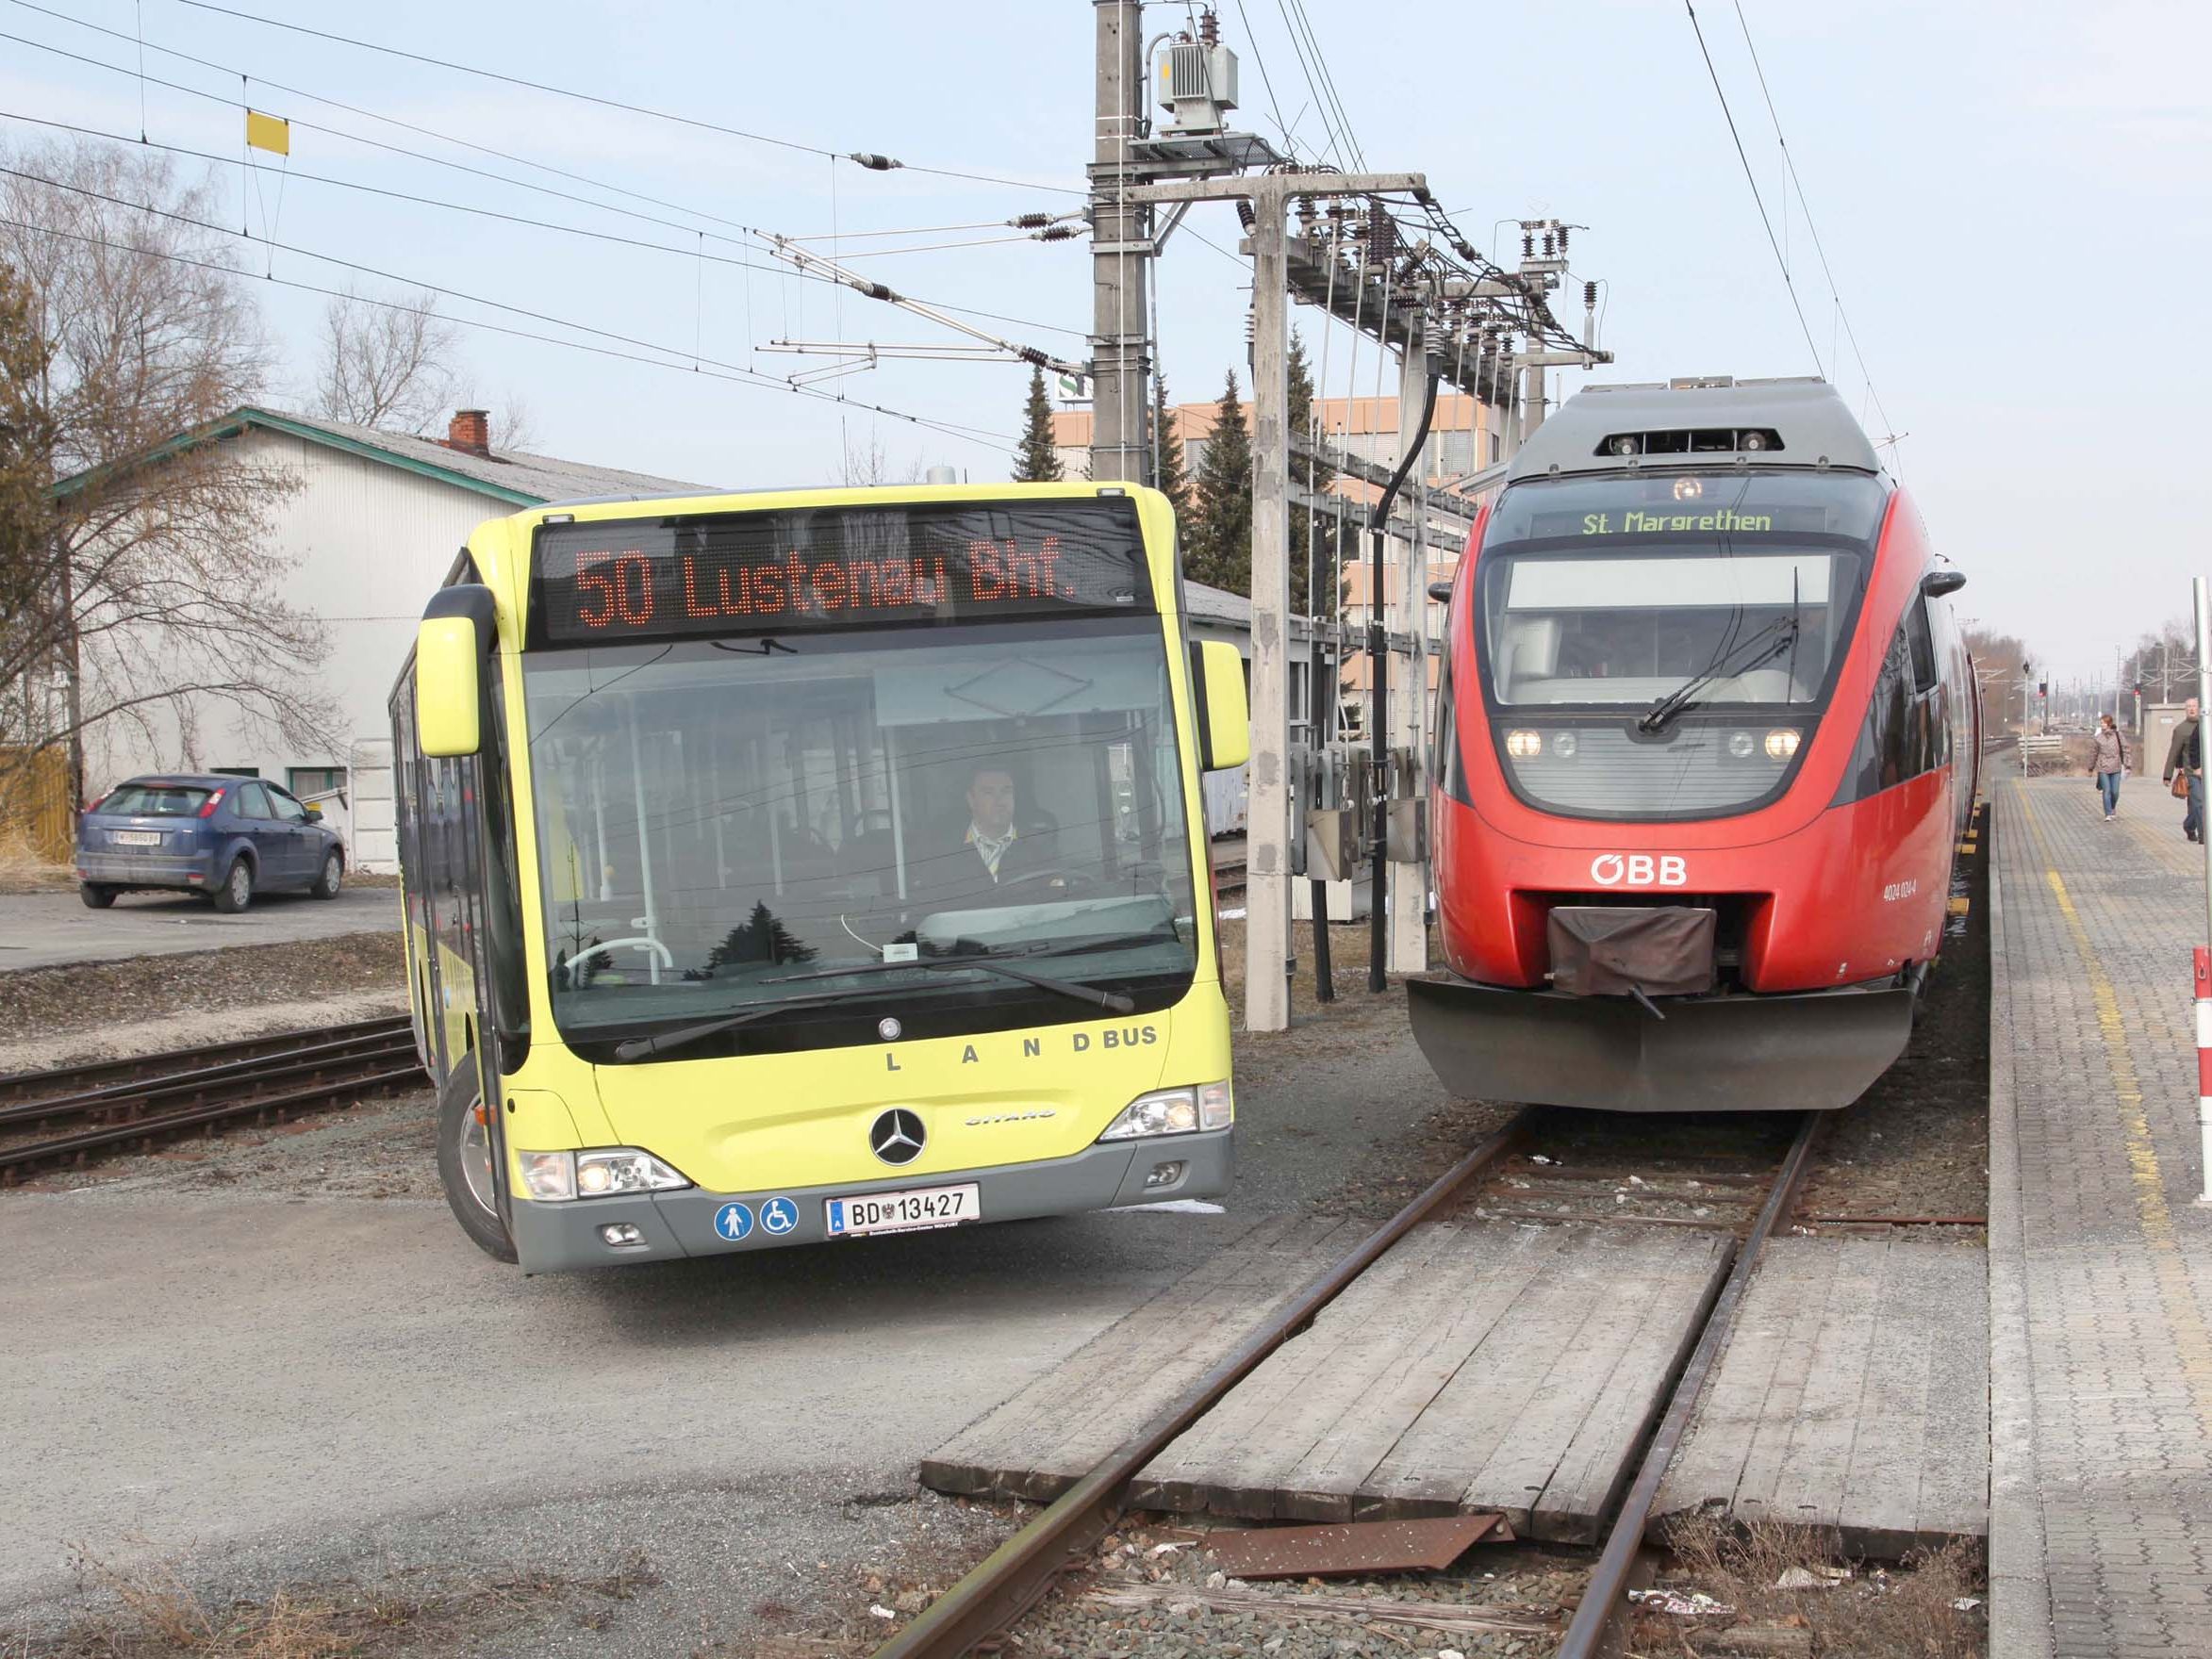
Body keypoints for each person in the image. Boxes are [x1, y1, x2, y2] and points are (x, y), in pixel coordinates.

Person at [924, 762, 1057, 901]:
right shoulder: (942, 853)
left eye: (1006, 791)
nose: (1000, 801)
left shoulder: (1040, 847)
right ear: (971, 800)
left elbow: (1056, 898)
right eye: (988, 793)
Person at [2163, 698, 2203, 842]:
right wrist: (2167, 775)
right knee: (2199, 803)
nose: (2191, 709)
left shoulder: (2206, 725)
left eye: (2194, 706)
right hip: (2191, 773)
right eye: (2189, 706)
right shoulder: (2181, 730)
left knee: (2200, 806)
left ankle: (2189, 825)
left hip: (2207, 772)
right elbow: (2174, 752)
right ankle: (2204, 836)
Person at [2092, 713, 2133, 820]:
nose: (2102, 725)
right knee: (2107, 790)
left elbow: (2126, 750)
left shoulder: (2118, 735)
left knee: (2115, 792)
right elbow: (2094, 753)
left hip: (2116, 767)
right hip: (2103, 767)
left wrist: (2128, 764)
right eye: (2101, 723)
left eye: (2104, 723)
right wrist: (2091, 767)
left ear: (2109, 724)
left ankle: (2112, 806)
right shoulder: (2098, 738)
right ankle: (2108, 813)